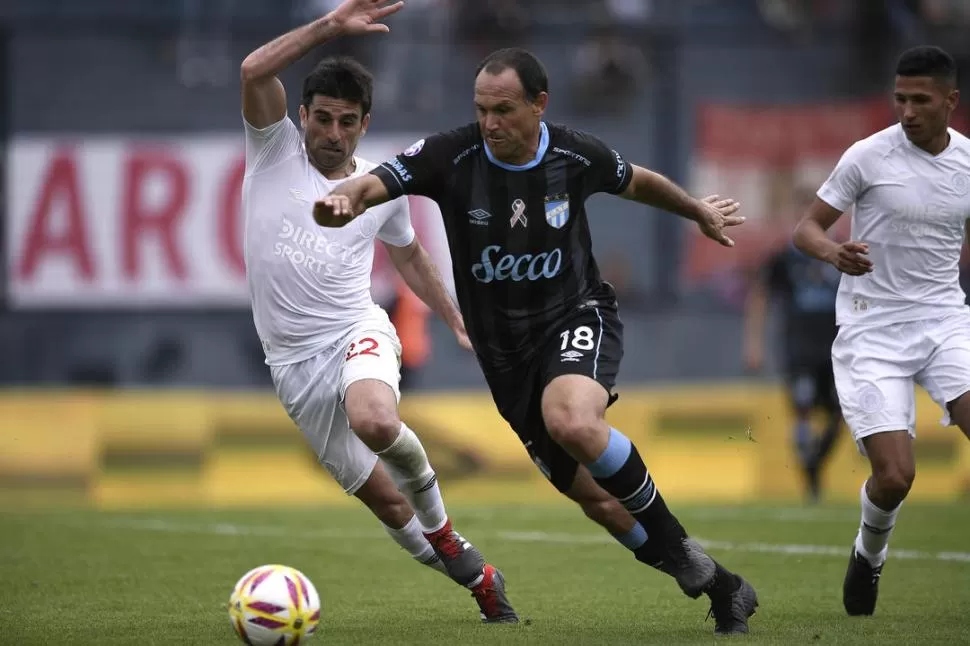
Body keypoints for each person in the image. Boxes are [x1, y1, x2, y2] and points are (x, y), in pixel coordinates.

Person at [313, 47, 758, 635]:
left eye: (503, 109)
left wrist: (697, 210)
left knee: (571, 419)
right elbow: (382, 179)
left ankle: (680, 551)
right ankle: (722, 587)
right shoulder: (452, 154)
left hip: (575, 315)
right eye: (481, 109)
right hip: (507, 360)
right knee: (600, 503)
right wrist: (349, 197)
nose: (490, 123)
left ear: (538, 105)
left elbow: (637, 182)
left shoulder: (574, 154)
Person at [239, 0, 518, 623]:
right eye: (324, 119)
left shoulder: (380, 186)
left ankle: (445, 533)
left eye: (347, 122)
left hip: (356, 329)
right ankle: (477, 576)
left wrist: (452, 315)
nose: (333, 134)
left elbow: (411, 256)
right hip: (291, 367)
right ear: (303, 115)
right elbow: (254, 71)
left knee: (372, 417)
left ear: (364, 126)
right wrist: (330, 27)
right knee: (392, 509)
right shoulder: (271, 152)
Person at [793, 45, 970, 617]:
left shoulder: (968, 163)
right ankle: (869, 555)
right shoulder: (867, 157)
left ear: (951, 101)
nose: (908, 110)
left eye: (921, 100)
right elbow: (806, 230)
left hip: (945, 319)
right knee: (895, 476)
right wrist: (834, 252)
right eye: (900, 99)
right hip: (873, 330)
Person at [744, 189, 844, 502]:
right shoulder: (783, 259)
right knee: (802, 409)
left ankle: (815, 465)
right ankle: (810, 481)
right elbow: (759, 297)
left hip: (836, 350)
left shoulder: (840, 254)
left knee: (839, 414)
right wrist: (754, 344)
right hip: (799, 349)